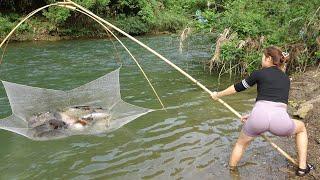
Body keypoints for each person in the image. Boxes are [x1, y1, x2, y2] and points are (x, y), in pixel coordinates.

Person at [211, 46, 314, 176]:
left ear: (269, 58)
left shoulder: (258, 73)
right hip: (280, 121)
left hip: (258, 118)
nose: (261, 60)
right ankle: (302, 168)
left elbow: (238, 88)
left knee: (240, 145)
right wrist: (252, 115)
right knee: (301, 128)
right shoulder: (286, 79)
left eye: (262, 57)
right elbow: (276, 104)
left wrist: (217, 94)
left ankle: (232, 173)